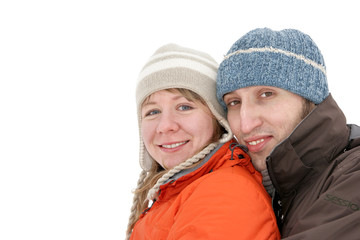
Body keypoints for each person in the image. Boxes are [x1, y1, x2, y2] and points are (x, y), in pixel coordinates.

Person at [216, 27, 360, 239]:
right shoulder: (243, 184)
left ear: (310, 98)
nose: (245, 125)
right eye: (234, 102)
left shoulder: (353, 176)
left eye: (266, 94)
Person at [126, 43, 280, 240]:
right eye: (153, 112)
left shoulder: (225, 195)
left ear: (218, 118)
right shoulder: (179, 190)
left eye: (184, 107)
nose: (165, 126)